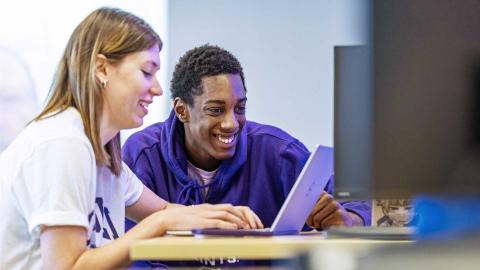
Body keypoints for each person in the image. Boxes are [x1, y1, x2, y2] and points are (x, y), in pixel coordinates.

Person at [0, 8, 261, 269]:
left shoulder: (100, 153)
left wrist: (224, 216)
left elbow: (166, 212)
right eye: (147, 72)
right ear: (102, 69)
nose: (158, 89)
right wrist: (159, 224)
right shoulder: (62, 144)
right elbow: (69, 266)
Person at [122, 44, 371, 267]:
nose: (231, 123)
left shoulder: (278, 151)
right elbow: (130, 253)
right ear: (181, 110)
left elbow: (361, 206)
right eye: (216, 110)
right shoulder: (143, 155)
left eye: (240, 108)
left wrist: (347, 219)